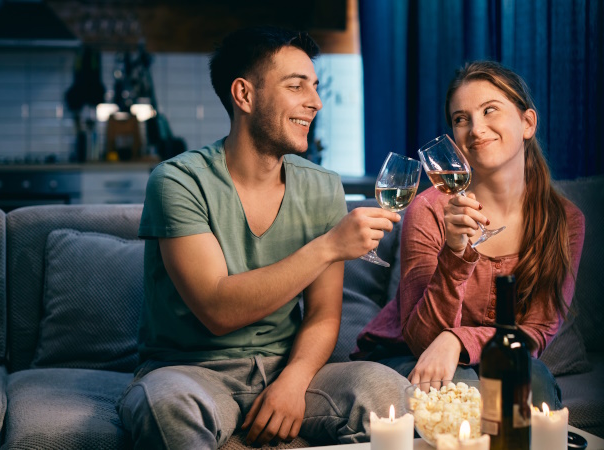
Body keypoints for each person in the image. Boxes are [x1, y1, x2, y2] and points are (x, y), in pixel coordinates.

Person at [116, 25, 410, 449]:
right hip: (192, 372)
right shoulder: (177, 181)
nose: (315, 102)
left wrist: (293, 380)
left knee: (388, 394)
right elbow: (218, 309)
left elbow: (323, 315)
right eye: (296, 86)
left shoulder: (323, 186)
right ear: (244, 95)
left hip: (289, 366)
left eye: (315, 87)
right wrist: (328, 246)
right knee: (167, 408)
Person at [351, 60, 585, 409]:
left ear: (527, 123)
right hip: (406, 355)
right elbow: (421, 340)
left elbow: (536, 333)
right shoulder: (429, 210)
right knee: (464, 390)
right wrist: (455, 254)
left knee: (530, 379)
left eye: (490, 110)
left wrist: (458, 340)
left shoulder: (565, 221)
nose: (476, 129)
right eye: (461, 119)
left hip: (489, 357)